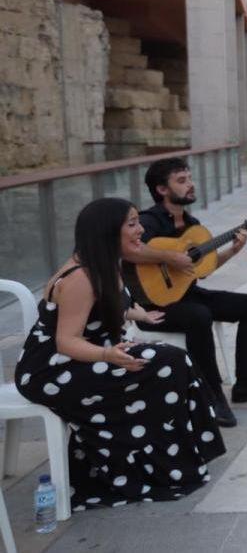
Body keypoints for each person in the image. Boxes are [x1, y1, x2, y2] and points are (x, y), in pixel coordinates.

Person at [16, 198, 225, 509]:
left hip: (87, 356)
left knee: (170, 360)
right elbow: (66, 342)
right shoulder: (81, 278)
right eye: (131, 224)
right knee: (168, 363)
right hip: (53, 369)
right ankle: (143, 466)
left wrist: (136, 316)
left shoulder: (103, 265)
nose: (140, 229)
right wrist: (107, 356)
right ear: (107, 232)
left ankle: (161, 461)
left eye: (137, 221)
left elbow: (101, 312)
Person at [122, 158, 247, 428]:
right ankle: (210, 395)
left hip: (188, 295)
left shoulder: (193, 225)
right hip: (151, 305)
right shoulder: (147, 221)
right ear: (162, 189)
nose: (190, 185)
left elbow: (200, 270)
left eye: (189, 178)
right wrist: (170, 257)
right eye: (181, 180)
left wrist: (232, 250)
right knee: (199, 316)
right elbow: (129, 250)